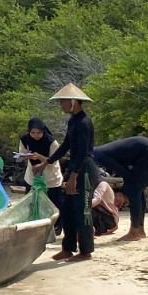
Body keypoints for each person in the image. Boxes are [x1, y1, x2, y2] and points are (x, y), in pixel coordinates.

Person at [47, 84, 98, 262]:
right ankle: (68, 248)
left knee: (83, 211)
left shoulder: (84, 123)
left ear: (74, 102)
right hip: (74, 168)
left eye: (64, 101)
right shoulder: (73, 121)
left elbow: (83, 152)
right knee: (67, 210)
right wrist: (48, 161)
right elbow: (66, 145)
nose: (61, 105)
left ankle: (86, 251)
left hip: (84, 171)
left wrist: (74, 177)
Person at [93, 135, 148, 242]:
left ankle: (134, 231)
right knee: (138, 190)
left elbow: (120, 170)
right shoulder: (99, 152)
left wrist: (129, 185)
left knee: (133, 190)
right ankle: (140, 229)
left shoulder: (97, 156)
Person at [17, 117, 63, 221]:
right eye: (33, 133)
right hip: (32, 177)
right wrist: (26, 156)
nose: (36, 135)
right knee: (31, 203)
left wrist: (39, 157)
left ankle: (56, 225)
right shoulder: (25, 140)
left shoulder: (51, 142)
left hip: (50, 179)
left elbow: (53, 160)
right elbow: (22, 154)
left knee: (54, 205)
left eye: (39, 133)